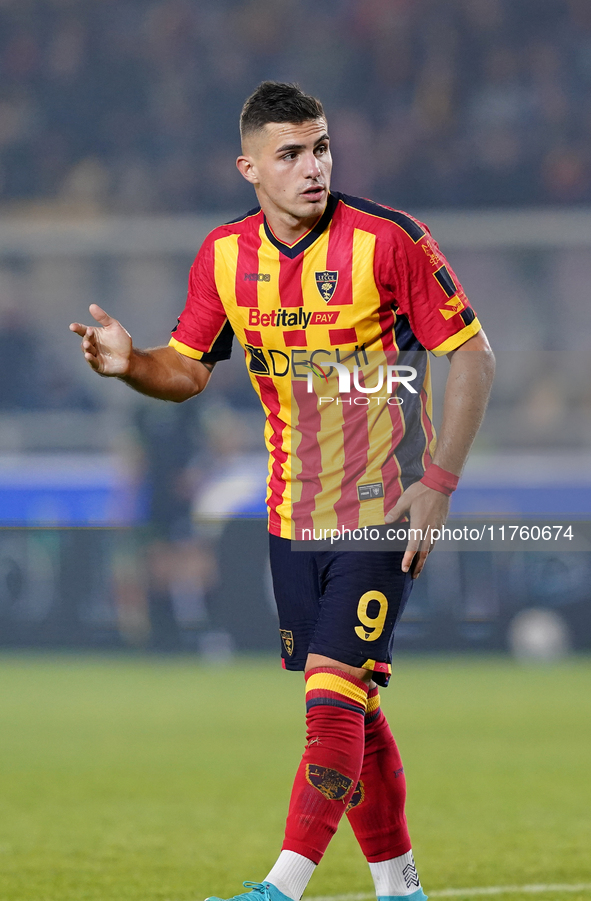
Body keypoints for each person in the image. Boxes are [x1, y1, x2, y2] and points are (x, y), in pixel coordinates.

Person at [70, 82, 495, 901]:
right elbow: (187, 369)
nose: (313, 167)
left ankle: (280, 887)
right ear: (249, 168)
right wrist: (132, 366)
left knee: (330, 698)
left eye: (322, 147)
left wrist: (438, 483)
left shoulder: (388, 241)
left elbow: (471, 355)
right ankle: (400, 885)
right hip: (291, 515)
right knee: (357, 709)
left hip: (382, 509)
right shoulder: (224, 258)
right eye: (291, 154)